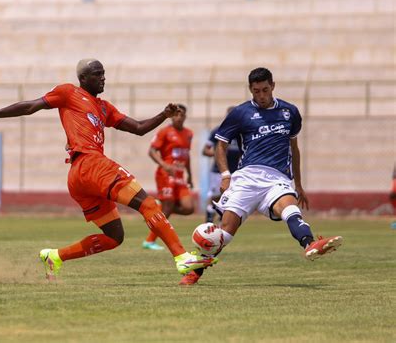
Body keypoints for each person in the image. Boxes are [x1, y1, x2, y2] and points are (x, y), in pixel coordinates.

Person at [0, 58, 217, 282]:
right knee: (148, 204)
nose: (103, 78)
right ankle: (182, 257)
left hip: (80, 176)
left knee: (114, 236)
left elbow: (139, 128)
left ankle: (54, 256)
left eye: (104, 73)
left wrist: (164, 114)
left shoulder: (104, 108)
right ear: (83, 78)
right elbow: (30, 106)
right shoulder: (68, 92)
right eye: (97, 74)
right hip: (89, 163)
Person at [180, 67, 343, 285]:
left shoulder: (290, 112)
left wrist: (299, 184)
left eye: (265, 90)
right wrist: (226, 175)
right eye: (256, 91)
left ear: (273, 86)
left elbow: (294, 148)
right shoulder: (240, 113)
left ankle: (310, 244)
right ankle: (194, 273)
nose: (262, 96)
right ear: (250, 89)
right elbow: (221, 145)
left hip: (277, 177)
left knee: (290, 209)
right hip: (246, 178)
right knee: (226, 232)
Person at [142, 104, 195, 250]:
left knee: (189, 208)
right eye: (176, 114)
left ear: (185, 116)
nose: (178, 117)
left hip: (180, 176)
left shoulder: (189, 133)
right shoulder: (164, 132)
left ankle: (161, 207)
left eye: (181, 115)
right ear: (173, 116)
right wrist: (164, 165)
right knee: (169, 206)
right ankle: (149, 241)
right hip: (166, 174)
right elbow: (152, 151)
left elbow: (187, 155)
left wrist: (189, 174)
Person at [202, 106, 242, 224]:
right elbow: (205, 150)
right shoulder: (219, 131)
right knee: (215, 197)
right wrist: (220, 153)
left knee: (229, 198)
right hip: (218, 171)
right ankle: (208, 222)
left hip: (235, 172)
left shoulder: (242, 133)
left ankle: (222, 223)